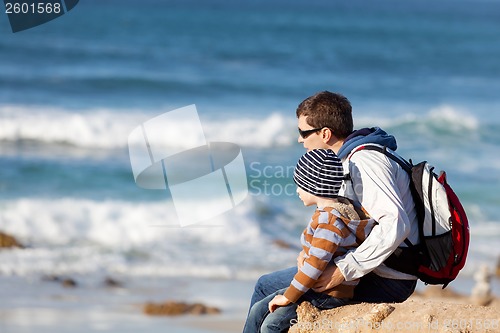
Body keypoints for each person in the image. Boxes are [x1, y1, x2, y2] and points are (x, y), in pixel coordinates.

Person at [246, 91, 419, 332]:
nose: (299, 140)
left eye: (303, 133)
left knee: (273, 313)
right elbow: (343, 226)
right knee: (265, 285)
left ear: (325, 134)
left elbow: (396, 225)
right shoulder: (345, 161)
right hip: (369, 266)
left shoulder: (366, 162)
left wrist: (342, 270)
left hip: (387, 277)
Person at [243, 149, 375, 333]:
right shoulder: (336, 211)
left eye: (300, 185)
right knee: (258, 310)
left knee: (270, 326)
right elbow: (318, 254)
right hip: (317, 287)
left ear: (315, 186)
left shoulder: (329, 221)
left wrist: (288, 297)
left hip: (327, 293)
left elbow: (314, 266)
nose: (297, 190)